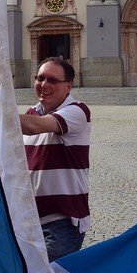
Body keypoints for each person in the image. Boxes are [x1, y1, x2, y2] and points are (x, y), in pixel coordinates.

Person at [19, 58, 91, 261]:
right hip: (28, 221)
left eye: (52, 80)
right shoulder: (31, 113)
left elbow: (35, 126)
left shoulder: (78, 111)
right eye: (40, 78)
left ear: (68, 86)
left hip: (61, 223)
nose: (44, 85)